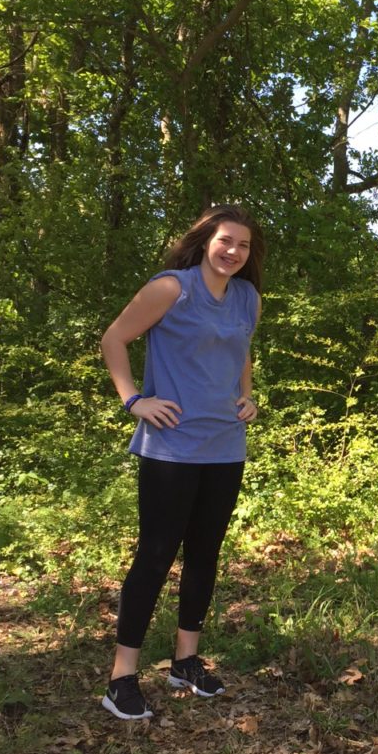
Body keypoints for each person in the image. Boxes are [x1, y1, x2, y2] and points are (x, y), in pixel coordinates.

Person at [99, 205, 265, 720]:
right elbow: (113, 340)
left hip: (224, 445)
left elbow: (242, 353)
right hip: (171, 447)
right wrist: (134, 401)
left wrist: (247, 396)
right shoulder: (172, 288)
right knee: (155, 555)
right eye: (226, 240)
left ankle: (185, 662)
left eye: (243, 245)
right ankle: (121, 678)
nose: (233, 251)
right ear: (205, 240)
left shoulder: (247, 298)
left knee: (205, 554)